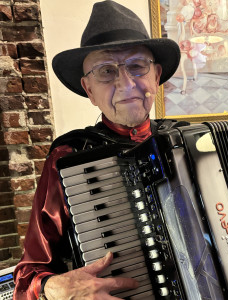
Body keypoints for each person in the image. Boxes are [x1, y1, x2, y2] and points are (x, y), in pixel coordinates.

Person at [13, 1, 181, 299]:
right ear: (89, 89)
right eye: (106, 71)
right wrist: (55, 288)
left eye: (137, 66)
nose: (127, 83)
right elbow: (27, 279)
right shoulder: (68, 156)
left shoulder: (187, 142)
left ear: (156, 77)